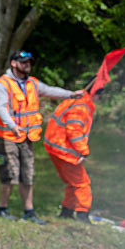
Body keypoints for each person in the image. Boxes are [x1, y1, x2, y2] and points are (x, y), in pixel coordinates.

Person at [0, 50, 84, 224]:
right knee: (10, 173)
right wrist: (12, 125)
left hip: (26, 136)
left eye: (29, 62)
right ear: (14, 63)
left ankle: (29, 212)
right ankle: (2, 209)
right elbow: (0, 108)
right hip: (6, 136)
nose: (27, 65)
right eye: (24, 62)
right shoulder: (3, 84)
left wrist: (71, 94)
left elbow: (49, 90)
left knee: (28, 174)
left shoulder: (32, 83)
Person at [43, 89, 98, 223]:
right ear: (95, 94)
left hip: (55, 148)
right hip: (65, 152)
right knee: (82, 184)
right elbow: (74, 131)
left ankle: (66, 212)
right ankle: (82, 215)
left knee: (72, 183)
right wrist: (84, 151)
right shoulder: (82, 107)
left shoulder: (73, 99)